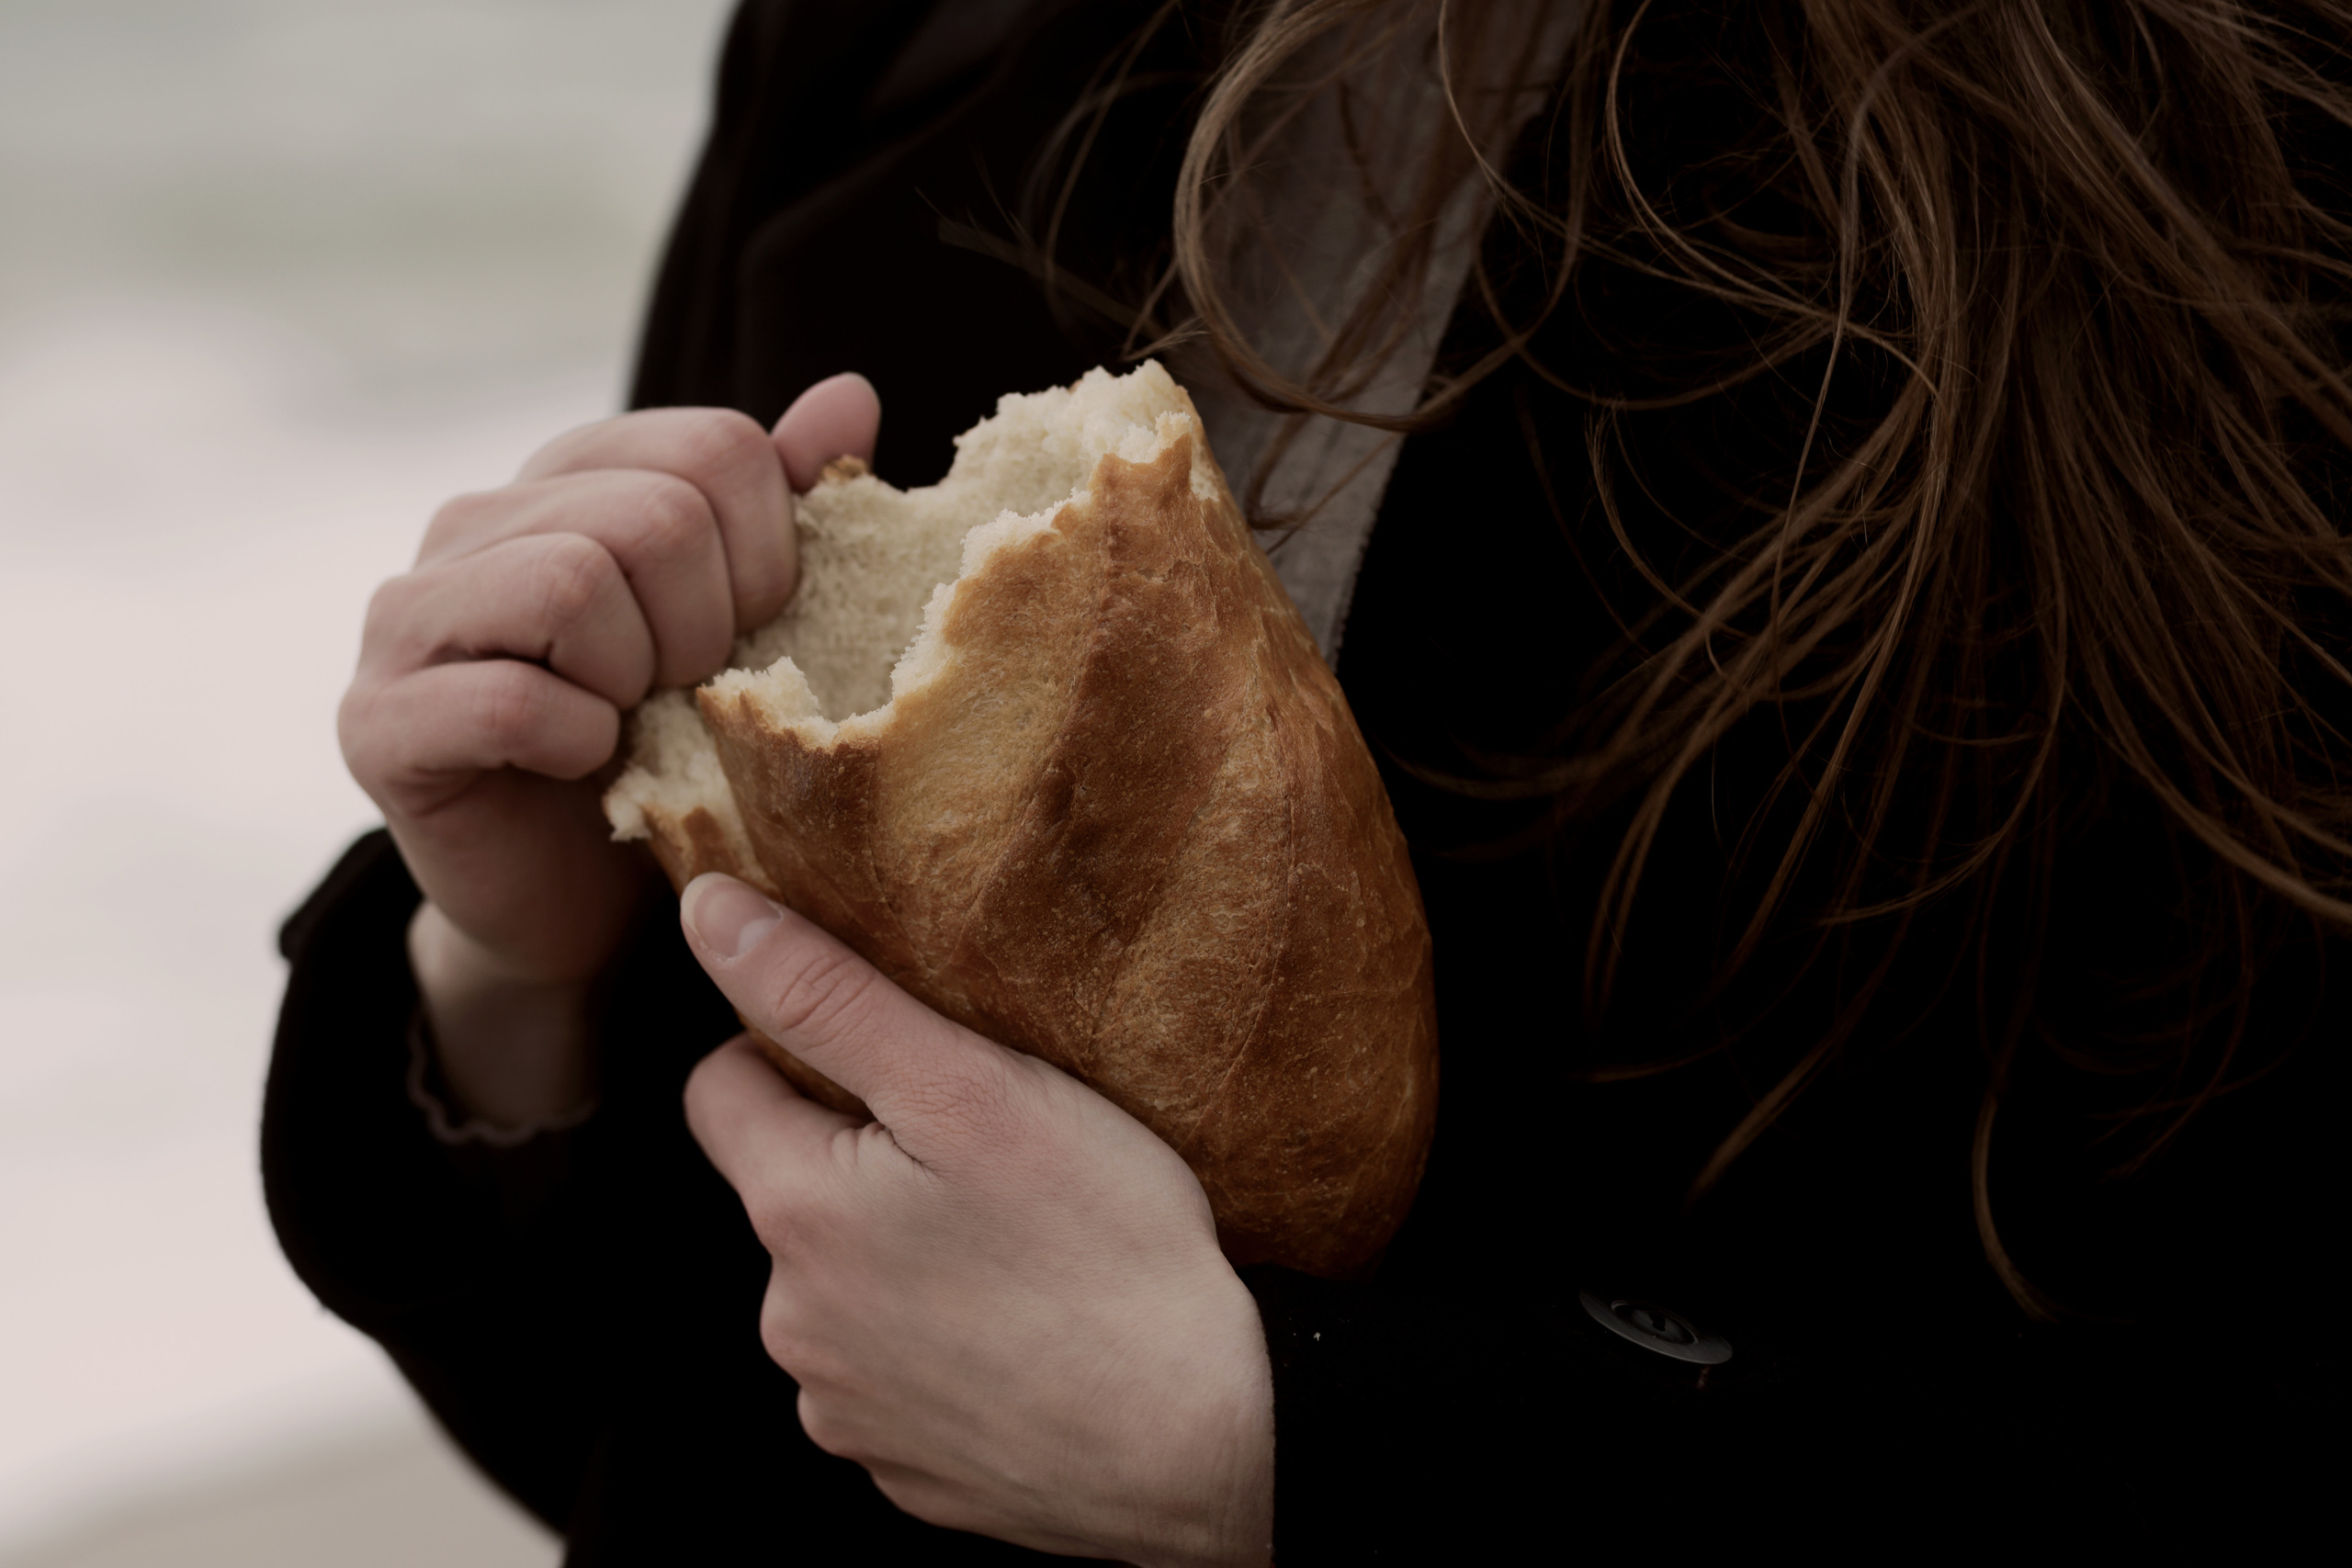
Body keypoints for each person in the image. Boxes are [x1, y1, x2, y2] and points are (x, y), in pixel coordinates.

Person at [269, 1, 2348, 1560]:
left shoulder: (2244, 139)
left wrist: (1303, 1453)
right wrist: (516, 975)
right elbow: (692, 1428)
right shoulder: (902, 34)